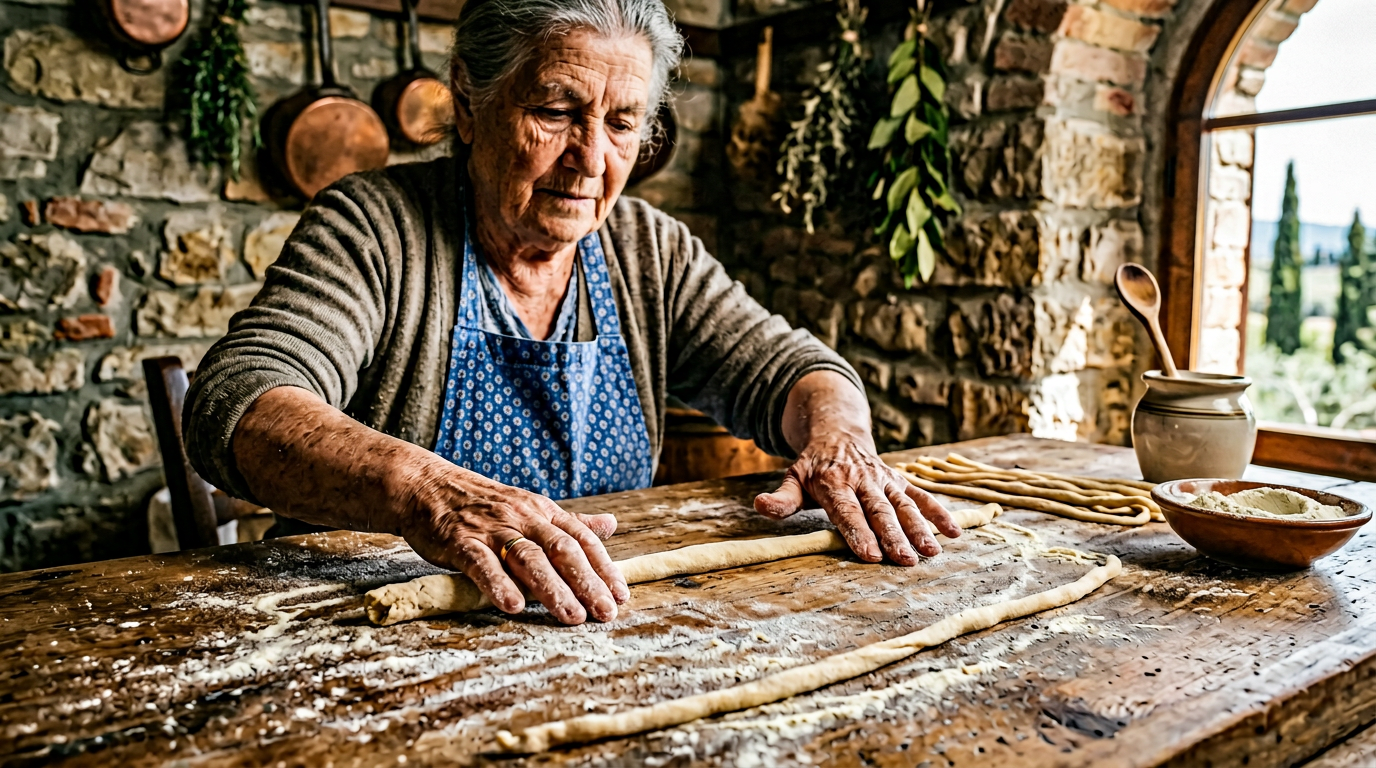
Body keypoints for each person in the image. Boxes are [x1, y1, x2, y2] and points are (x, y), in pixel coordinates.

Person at [184, 0, 959, 627]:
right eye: (556, 110)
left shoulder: (648, 250)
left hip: (586, 624)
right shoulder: (376, 226)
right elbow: (239, 399)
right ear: (469, 103)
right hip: (370, 632)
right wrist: (426, 490)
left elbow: (794, 370)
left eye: (621, 123)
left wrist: (840, 440)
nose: (591, 158)